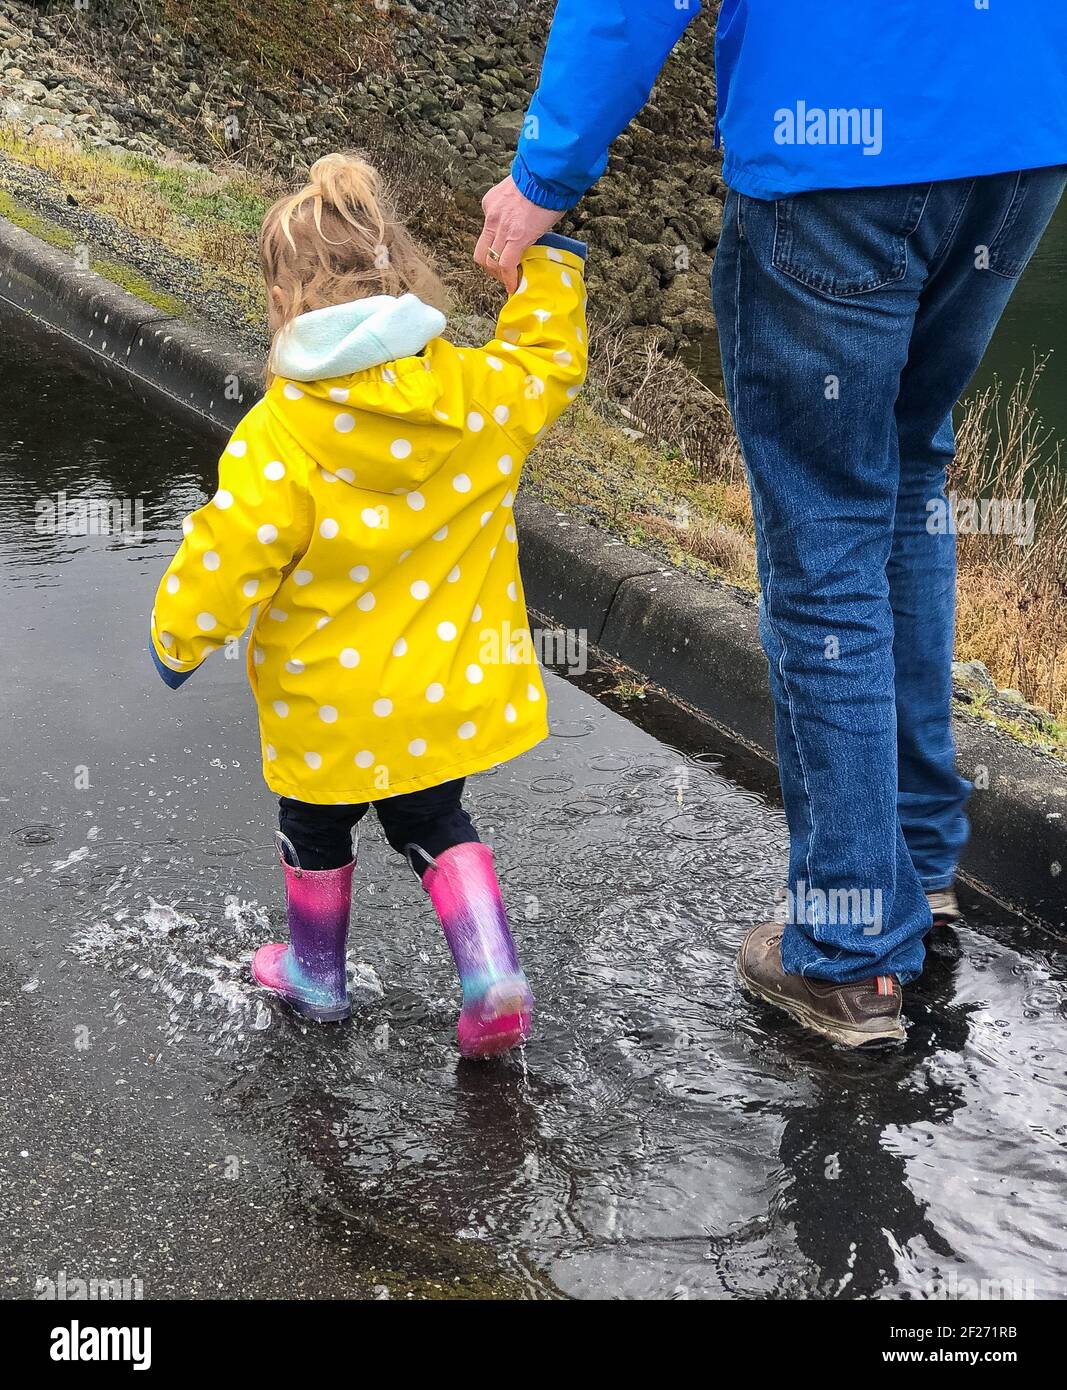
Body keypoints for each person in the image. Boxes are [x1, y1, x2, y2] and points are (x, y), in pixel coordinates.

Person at [476, 0, 1067, 1045]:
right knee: (905, 472)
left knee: (825, 530)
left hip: (834, 146)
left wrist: (541, 179)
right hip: (1015, 135)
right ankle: (917, 865)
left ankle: (846, 953)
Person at [150, 153, 588, 1056]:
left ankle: (315, 976)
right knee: (433, 821)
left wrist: (180, 635)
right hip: (444, 693)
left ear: (287, 301)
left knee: (313, 830)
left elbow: (230, 547)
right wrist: (544, 268)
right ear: (397, 270)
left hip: (328, 713)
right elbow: (547, 360)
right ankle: (491, 971)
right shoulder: (473, 394)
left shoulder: (283, 431)